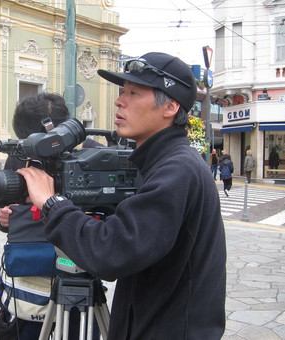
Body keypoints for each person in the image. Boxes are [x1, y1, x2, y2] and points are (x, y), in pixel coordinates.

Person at [16, 52, 227, 339]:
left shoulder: (177, 169)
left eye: (133, 93)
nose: (119, 100)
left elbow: (112, 252)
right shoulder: (163, 162)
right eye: (122, 91)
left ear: (170, 107)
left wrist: (52, 203)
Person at [0, 93, 100, 339]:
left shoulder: (95, 156)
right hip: (29, 277)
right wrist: (3, 218)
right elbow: (7, 209)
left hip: (78, 274)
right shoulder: (20, 156)